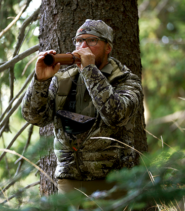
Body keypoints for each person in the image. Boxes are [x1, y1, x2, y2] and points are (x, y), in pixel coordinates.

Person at [22, 19, 144, 198]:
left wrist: (90, 70)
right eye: (79, 41)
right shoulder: (63, 79)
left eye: (92, 40)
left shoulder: (126, 80)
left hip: (112, 181)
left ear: (108, 47)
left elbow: (116, 115)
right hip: (70, 180)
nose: (83, 46)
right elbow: (35, 117)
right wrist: (40, 81)